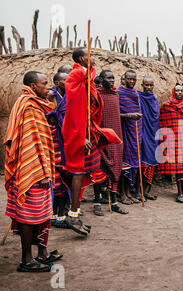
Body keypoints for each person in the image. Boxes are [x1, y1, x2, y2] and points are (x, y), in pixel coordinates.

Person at [4, 71, 63, 272]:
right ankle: (26, 260)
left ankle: (42, 253)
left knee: (42, 213)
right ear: (33, 85)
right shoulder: (29, 107)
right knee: (29, 215)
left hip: (37, 169)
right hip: (31, 172)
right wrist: (40, 174)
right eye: (44, 84)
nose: (48, 87)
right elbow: (32, 143)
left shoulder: (34, 104)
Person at [61, 47, 121, 235]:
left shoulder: (86, 80)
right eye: (90, 56)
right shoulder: (76, 74)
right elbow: (76, 111)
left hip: (86, 132)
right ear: (81, 58)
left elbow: (88, 109)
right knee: (77, 173)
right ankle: (72, 215)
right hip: (77, 134)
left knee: (83, 172)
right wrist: (82, 136)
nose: (93, 59)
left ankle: (74, 214)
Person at [156, 84, 183, 203]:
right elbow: (163, 123)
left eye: (181, 91)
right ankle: (180, 193)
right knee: (178, 167)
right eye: (177, 91)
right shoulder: (166, 106)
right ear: (173, 92)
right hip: (174, 140)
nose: (179, 93)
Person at [96, 70, 128, 215]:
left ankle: (114, 201)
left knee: (116, 167)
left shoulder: (115, 95)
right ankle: (97, 201)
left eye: (113, 78)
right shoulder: (96, 95)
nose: (112, 80)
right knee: (99, 169)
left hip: (116, 137)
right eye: (109, 78)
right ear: (102, 79)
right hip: (101, 137)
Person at [116, 70, 143, 205]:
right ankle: (122, 194)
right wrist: (129, 116)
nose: (132, 82)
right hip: (124, 132)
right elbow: (115, 113)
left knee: (133, 163)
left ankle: (129, 193)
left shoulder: (135, 94)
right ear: (124, 79)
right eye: (129, 79)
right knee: (124, 163)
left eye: (134, 79)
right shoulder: (119, 93)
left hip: (135, 131)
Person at [47, 72, 70, 228]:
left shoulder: (71, 96)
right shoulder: (49, 96)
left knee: (65, 181)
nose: (68, 82)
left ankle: (62, 215)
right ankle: (52, 214)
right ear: (56, 83)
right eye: (64, 80)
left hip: (68, 143)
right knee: (54, 181)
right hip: (53, 144)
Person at [139, 76, 161, 200]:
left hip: (153, 135)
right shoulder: (138, 97)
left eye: (151, 85)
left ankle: (147, 190)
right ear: (142, 85)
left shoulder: (154, 99)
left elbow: (156, 117)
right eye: (146, 85)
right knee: (141, 163)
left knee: (152, 162)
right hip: (143, 134)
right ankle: (139, 190)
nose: (148, 88)